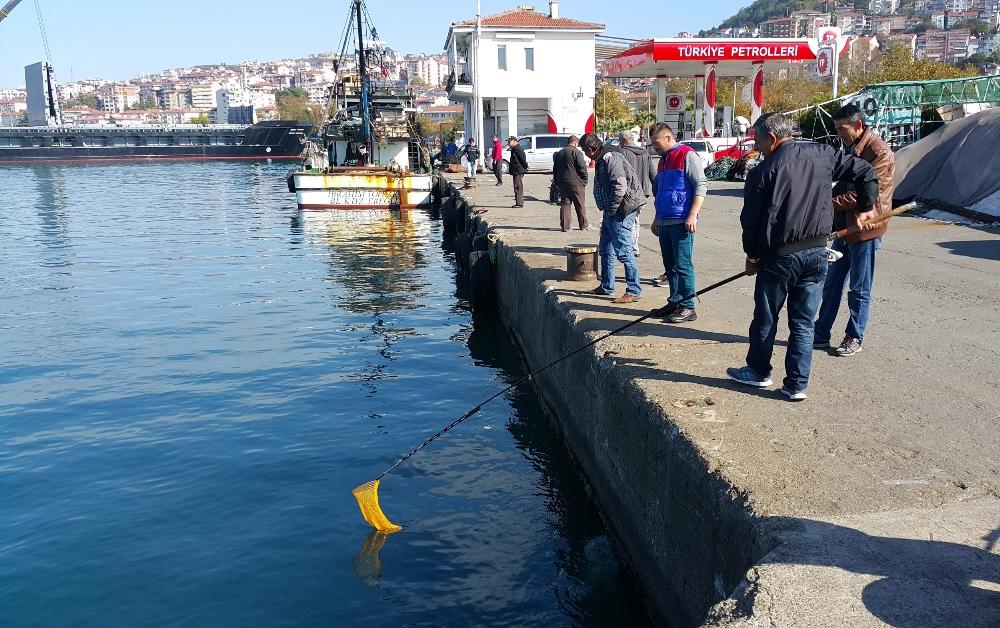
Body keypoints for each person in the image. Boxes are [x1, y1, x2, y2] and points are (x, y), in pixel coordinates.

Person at [728, 112, 878, 401]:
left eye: (757, 139)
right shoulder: (823, 153)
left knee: (766, 317)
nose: (755, 145)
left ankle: (759, 372)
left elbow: (751, 222)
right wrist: (866, 206)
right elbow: (866, 173)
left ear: (772, 138)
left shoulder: (763, 172)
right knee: (803, 322)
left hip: (779, 258)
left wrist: (752, 256)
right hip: (816, 254)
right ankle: (797, 384)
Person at [814, 104, 896, 357]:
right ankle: (820, 333)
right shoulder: (850, 148)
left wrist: (824, 202)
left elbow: (865, 195)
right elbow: (842, 186)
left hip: (865, 229)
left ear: (858, 125)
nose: (838, 133)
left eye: (842, 129)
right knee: (832, 284)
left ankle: (854, 336)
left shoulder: (878, 152)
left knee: (859, 288)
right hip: (844, 228)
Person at [647, 122, 707, 324]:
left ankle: (688, 306)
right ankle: (675, 302)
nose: (654, 148)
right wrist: (656, 219)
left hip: (682, 221)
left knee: (683, 265)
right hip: (665, 221)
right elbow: (660, 193)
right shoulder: (662, 161)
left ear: (668, 138)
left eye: (656, 143)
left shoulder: (687, 155)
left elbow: (700, 185)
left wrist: (692, 215)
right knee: (670, 266)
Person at [579, 132, 645, 304]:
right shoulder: (602, 157)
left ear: (591, 149)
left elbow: (620, 185)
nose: (585, 155)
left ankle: (634, 290)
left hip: (622, 209)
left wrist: (612, 209)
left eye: (585, 151)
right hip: (611, 210)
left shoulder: (610, 157)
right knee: (606, 248)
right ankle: (607, 286)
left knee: (624, 250)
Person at [619, 127, 656, 254]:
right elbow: (653, 174)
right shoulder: (645, 153)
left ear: (624, 141)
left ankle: (630, 247)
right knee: (635, 219)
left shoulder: (622, 153)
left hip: (628, 192)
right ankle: (634, 246)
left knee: (627, 219)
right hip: (643, 192)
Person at [552, 135, 589, 230]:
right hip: (576, 183)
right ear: (576, 143)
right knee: (580, 204)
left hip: (562, 183)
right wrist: (584, 181)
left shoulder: (560, 152)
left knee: (565, 204)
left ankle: (565, 226)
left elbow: (555, 169)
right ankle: (583, 225)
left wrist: (556, 181)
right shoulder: (576, 152)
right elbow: (582, 168)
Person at [507, 135, 528, 208]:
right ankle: (519, 202)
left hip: (518, 170)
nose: (508, 143)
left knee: (518, 186)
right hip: (516, 170)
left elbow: (522, 159)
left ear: (514, 141)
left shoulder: (517, 149)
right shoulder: (514, 149)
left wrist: (525, 166)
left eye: (510, 141)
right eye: (508, 141)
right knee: (517, 186)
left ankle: (519, 203)